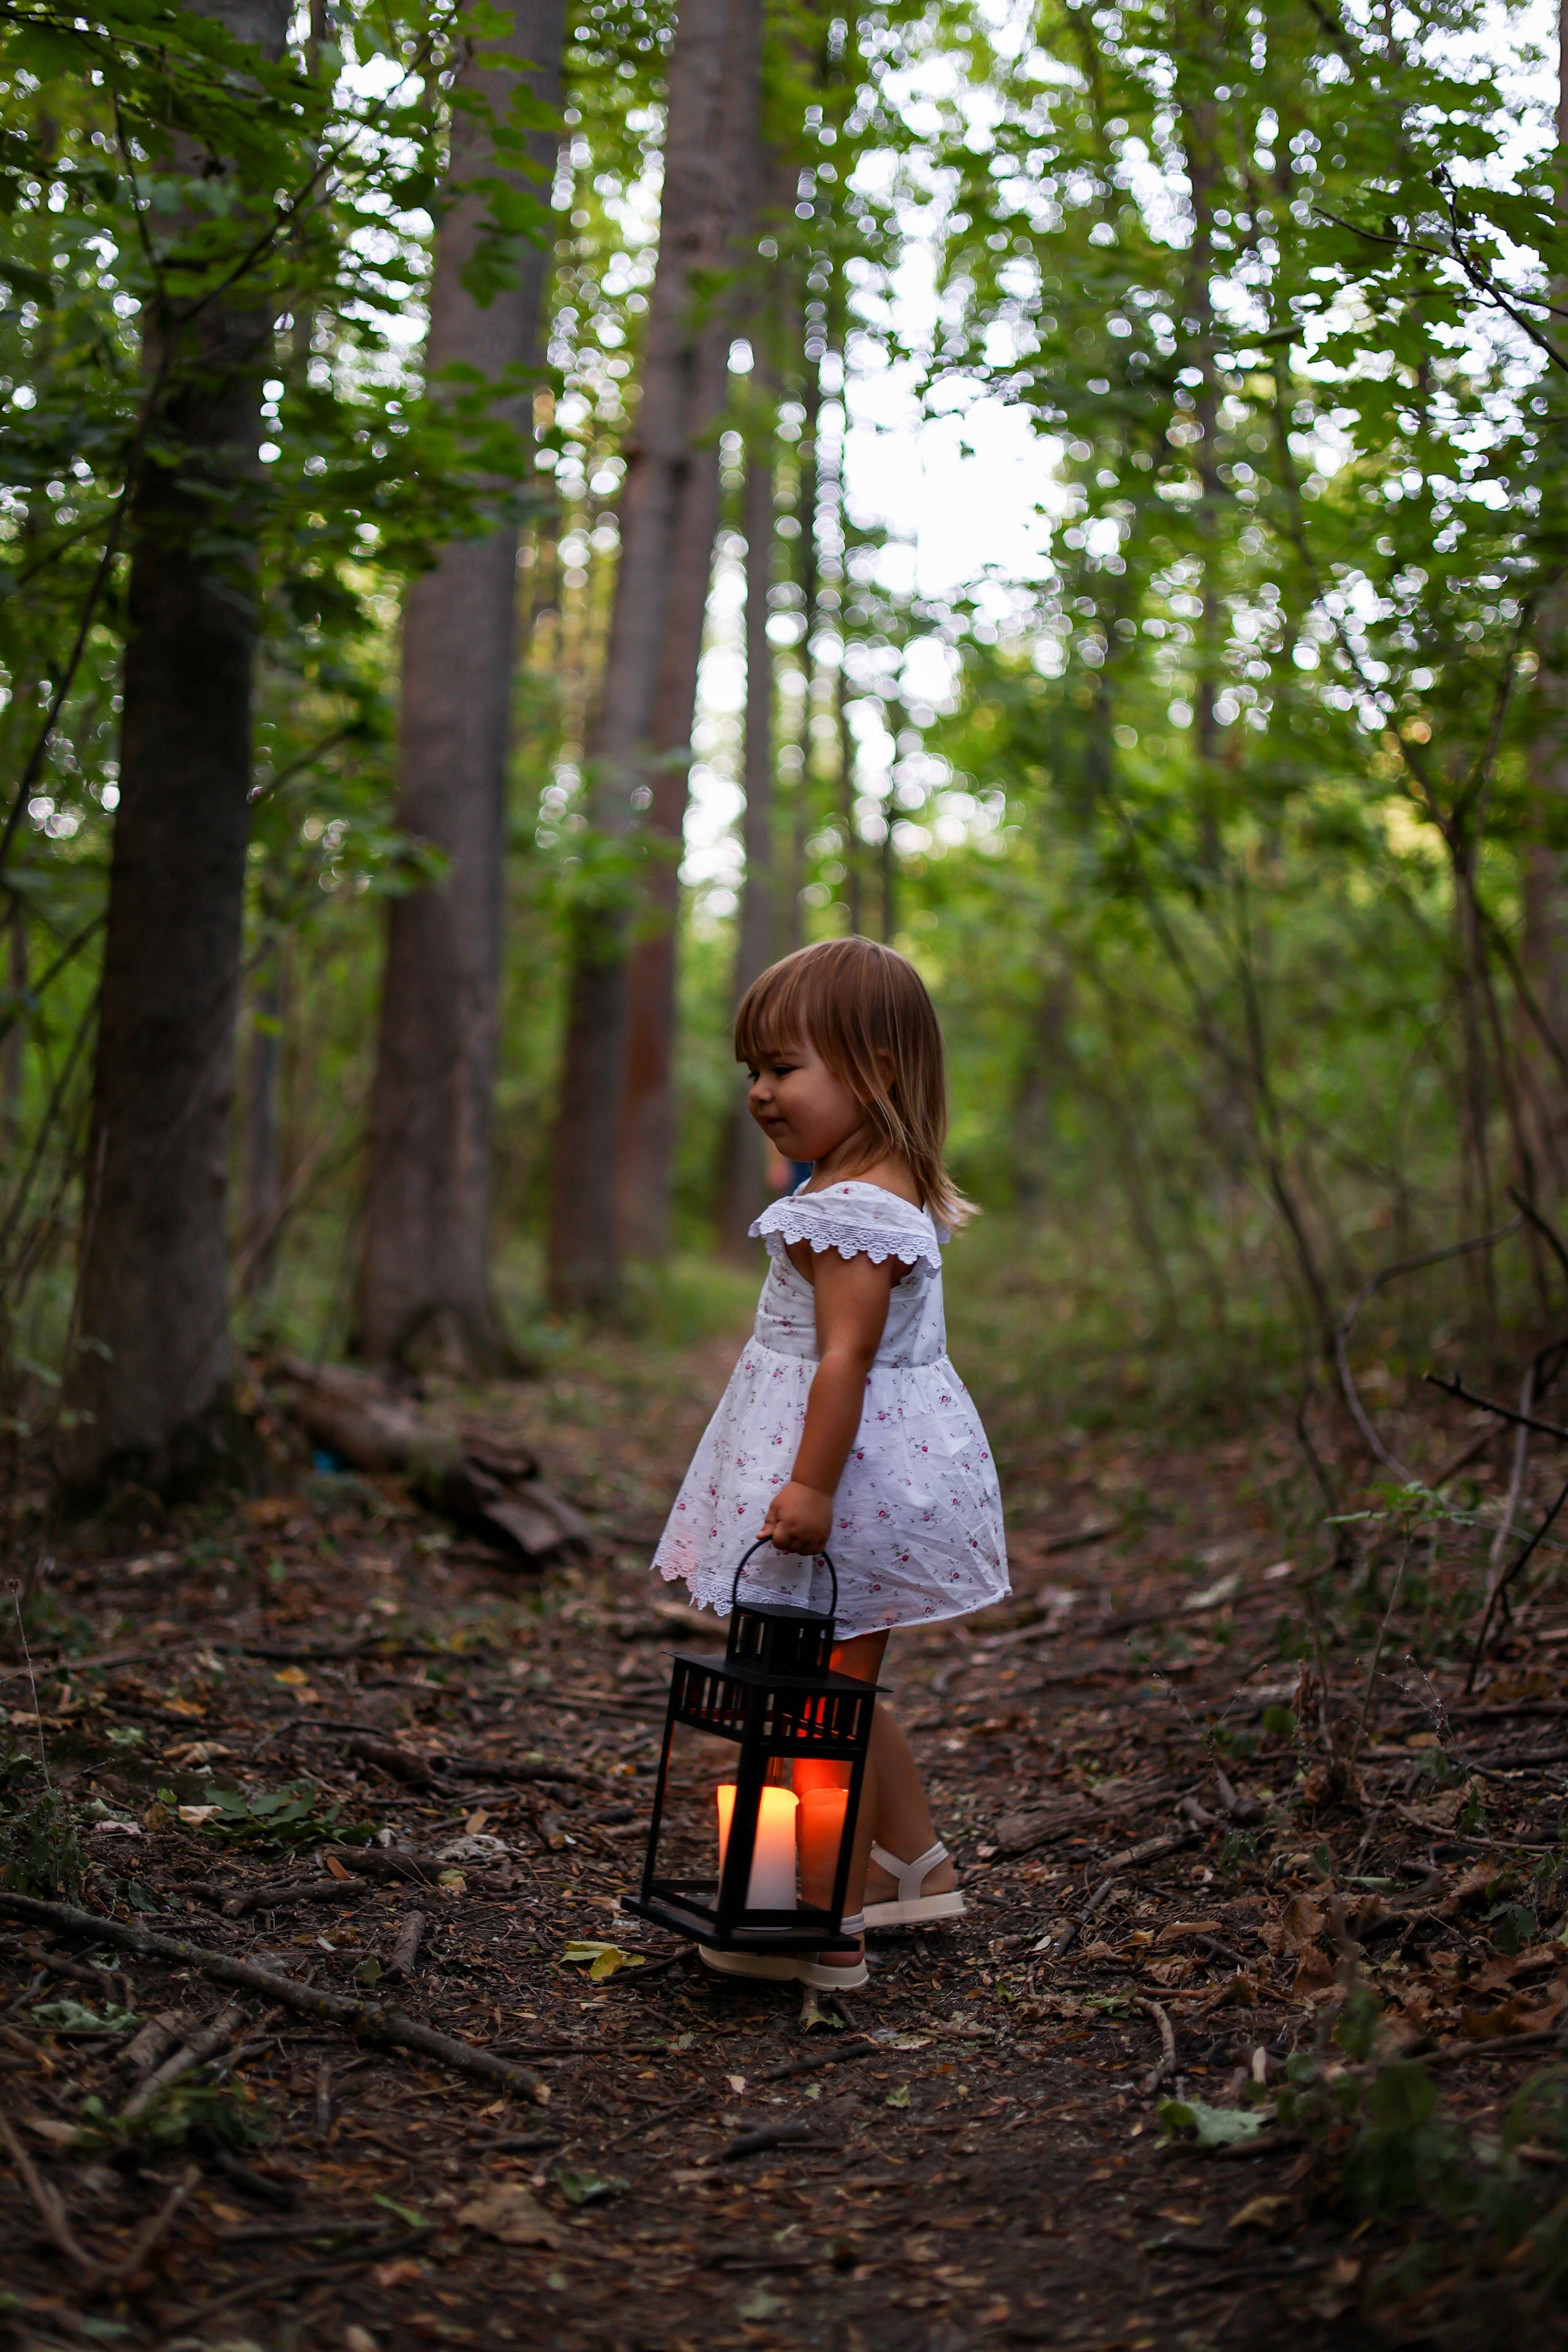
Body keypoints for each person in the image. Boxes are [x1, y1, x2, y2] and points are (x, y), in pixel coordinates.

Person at [652, 935, 1009, 1988]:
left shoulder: (849, 1214)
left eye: (784, 1068)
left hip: (840, 1488)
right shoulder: (875, 1190)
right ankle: (910, 1866)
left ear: (877, 1071)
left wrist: (807, 1488)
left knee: (811, 1711)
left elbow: (844, 1360)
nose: (760, 1092)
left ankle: (819, 1923)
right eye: (752, 1071)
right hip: (882, 1480)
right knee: (839, 1685)